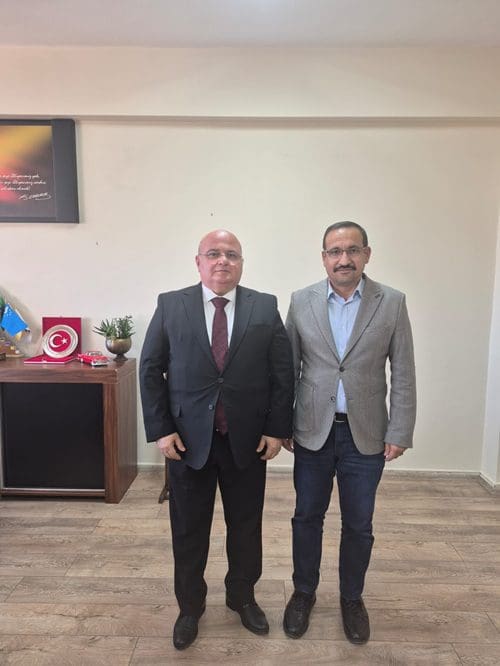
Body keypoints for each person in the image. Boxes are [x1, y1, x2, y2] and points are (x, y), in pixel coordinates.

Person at [140, 229, 294, 650]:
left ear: (242, 263)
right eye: (213, 254)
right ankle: (190, 607)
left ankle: (242, 597)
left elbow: (282, 372)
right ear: (198, 262)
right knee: (189, 529)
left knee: (245, 526)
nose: (222, 260)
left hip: (248, 441)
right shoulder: (171, 304)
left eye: (232, 254)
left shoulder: (265, 306)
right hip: (187, 443)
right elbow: (150, 369)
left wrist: (276, 429)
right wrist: (161, 429)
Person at [283, 221, 416, 645]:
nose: (344, 259)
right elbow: (287, 369)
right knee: (307, 516)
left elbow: (404, 371)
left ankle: (352, 598)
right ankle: (303, 593)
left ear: (367, 254)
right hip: (312, 431)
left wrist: (400, 429)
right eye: (335, 251)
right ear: (324, 257)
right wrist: (281, 424)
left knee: (359, 523)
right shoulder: (301, 301)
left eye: (352, 250)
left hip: (367, 433)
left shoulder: (391, 302)